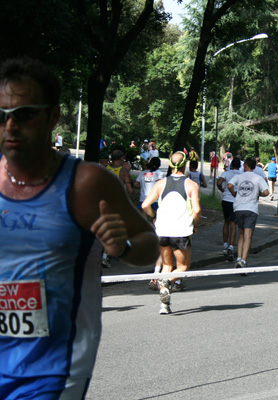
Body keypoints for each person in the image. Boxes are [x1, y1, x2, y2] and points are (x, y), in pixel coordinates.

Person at [0, 57, 159, 398]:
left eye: (25, 113)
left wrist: (123, 248)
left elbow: (150, 244)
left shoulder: (86, 184)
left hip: (52, 370)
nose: (10, 126)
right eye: (1, 116)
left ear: (53, 116)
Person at [142, 152, 201, 314]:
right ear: (185, 165)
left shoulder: (161, 183)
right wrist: (195, 225)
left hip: (162, 230)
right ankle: (165, 282)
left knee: (167, 266)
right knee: (183, 267)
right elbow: (197, 210)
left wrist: (154, 217)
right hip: (181, 231)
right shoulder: (191, 185)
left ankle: (164, 304)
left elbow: (145, 205)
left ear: (170, 164)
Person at [228, 157, 269, 273]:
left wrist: (235, 194)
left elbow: (229, 186)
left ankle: (238, 258)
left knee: (241, 234)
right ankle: (243, 261)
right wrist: (258, 193)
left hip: (238, 208)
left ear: (245, 165)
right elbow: (266, 192)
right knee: (248, 236)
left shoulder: (239, 177)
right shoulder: (258, 178)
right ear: (254, 166)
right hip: (251, 209)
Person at [217, 157, 242, 262]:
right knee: (233, 224)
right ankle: (231, 246)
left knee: (226, 222)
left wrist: (222, 189)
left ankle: (225, 244)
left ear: (231, 165)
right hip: (235, 201)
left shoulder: (226, 173)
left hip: (226, 200)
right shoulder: (241, 175)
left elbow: (219, 182)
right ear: (240, 166)